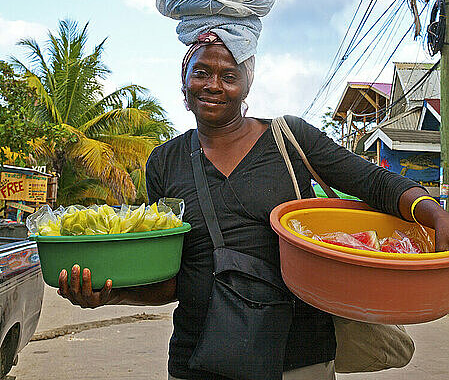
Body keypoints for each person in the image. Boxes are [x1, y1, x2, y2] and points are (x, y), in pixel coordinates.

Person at [59, 32, 449, 380]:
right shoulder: (164, 161)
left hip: (299, 356)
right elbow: (171, 277)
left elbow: (374, 182)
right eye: (201, 73)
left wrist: (435, 213)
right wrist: (111, 293)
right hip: (200, 358)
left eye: (229, 76)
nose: (213, 85)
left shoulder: (289, 138)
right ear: (184, 82)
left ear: (247, 86)